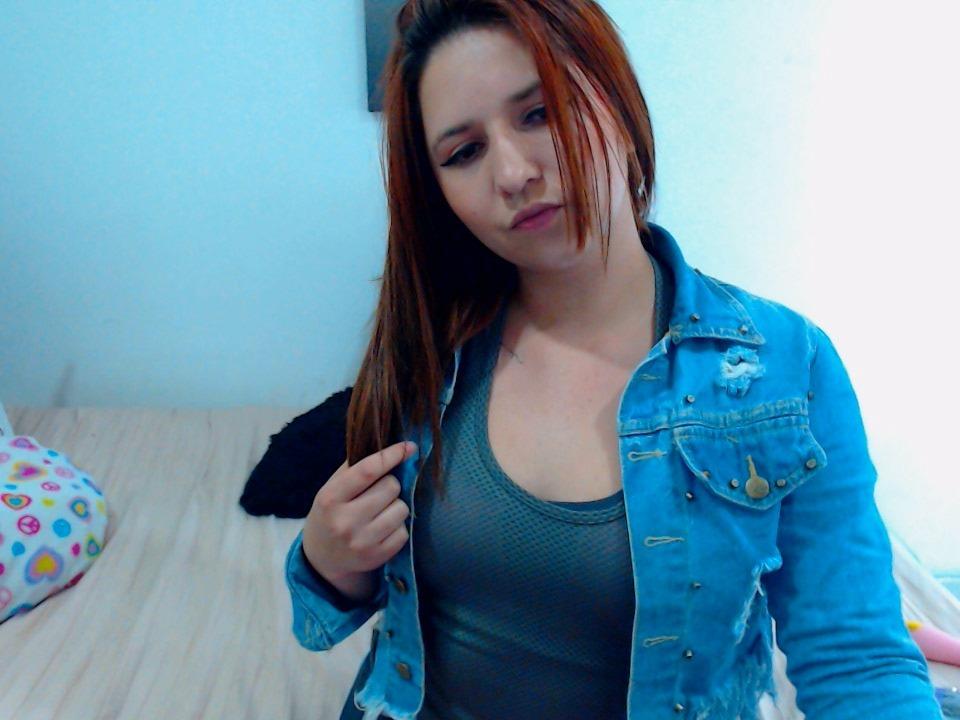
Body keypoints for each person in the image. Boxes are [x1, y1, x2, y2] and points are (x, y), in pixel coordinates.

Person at [284, 1, 942, 718]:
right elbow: (341, 611)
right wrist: (326, 562)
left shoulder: (784, 368)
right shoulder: (430, 350)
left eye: (540, 113)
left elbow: (857, 660)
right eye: (463, 153)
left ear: (618, 102)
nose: (513, 172)